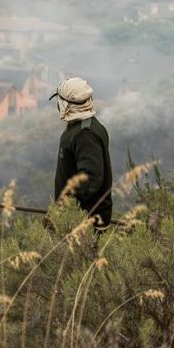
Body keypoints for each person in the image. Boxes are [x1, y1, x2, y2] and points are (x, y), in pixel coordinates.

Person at [49, 77, 113, 232]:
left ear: (66, 106)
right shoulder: (81, 127)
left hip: (84, 223)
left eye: (60, 101)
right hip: (77, 219)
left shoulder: (86, 134)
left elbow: (90, 178)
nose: (58, 105)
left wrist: (67, 209)